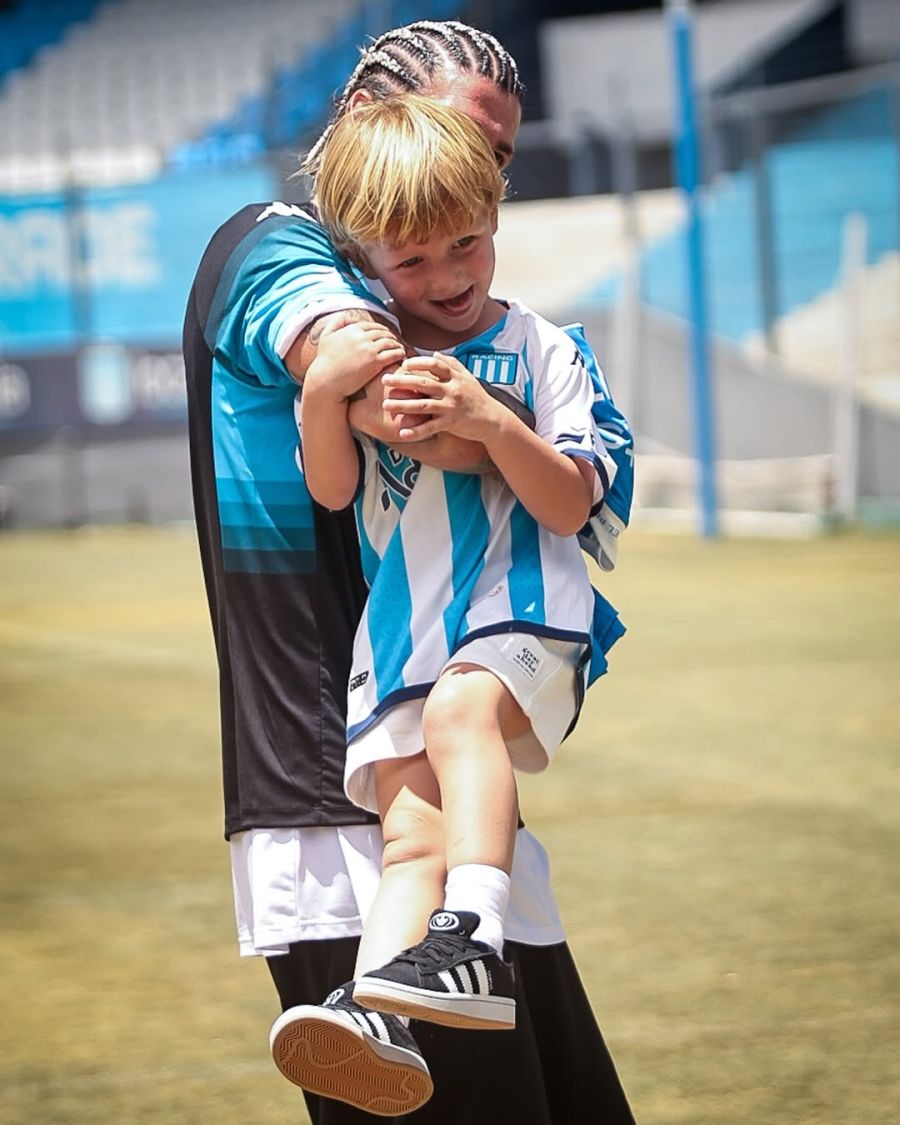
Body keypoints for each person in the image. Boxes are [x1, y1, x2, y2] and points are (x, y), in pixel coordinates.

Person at [182, 18, 635, 1125]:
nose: (469, 180)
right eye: (449, 137)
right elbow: (374, 379)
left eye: (495, 162)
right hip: (338, 795)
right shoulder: (277, 245)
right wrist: (475, 411)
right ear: (365, 134)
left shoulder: (479, 314)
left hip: (447, 789)